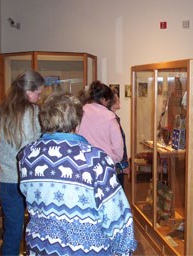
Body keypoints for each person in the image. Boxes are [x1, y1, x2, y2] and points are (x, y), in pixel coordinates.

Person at [18, 92, 137, 255]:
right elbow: (116, 217)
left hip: (40, 247)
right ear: (77, 122)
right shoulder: (97, 160)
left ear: (44, 120)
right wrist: (124, 251)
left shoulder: (26, 155)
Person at [0, 70, 44, 255]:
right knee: (38, 231)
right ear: (29, 91)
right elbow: (34, 146)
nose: (39, 98)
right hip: (29, 180)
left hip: (6, 180)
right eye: (38, 93)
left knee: (12, 232)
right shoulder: (33, 111)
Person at [77, 80, 124, 164]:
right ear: (104, 99)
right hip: (104, 161)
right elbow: (118, 148)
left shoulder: (79, 112)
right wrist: (114, 159)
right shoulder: (110, 117)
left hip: (82, 160)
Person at [108, 87, 129, 188]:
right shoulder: (111, 119)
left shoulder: (113, 118)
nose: (119, 100)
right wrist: (124, 165)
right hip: (115, 164)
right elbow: (118, 145)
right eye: (117, 99)